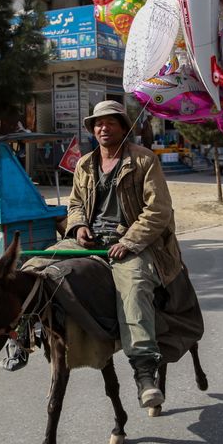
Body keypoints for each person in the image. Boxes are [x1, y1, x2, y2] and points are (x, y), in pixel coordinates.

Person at [64, 100, 184, 409]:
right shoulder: (84, 164)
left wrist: (130, 242)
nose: (103, 128)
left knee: (133, 289)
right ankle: (21, 336)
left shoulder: (143, 160)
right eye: (98, 124)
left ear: (123, 126)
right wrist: (78, 227)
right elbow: (75, 203)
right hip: (91, 242)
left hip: (132, 245)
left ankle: (145, 373)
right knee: (39, 265)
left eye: (110, 122)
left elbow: (159, 210)